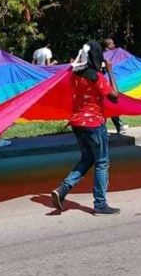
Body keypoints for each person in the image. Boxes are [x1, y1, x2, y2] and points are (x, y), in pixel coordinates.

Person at [50, 41, 121, 215]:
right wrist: (111, 71)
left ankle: (62, 190)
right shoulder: (95, 76)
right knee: (102, 162)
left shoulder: (74, 74)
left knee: (87, 159)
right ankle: (100, 204)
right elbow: (115, 96)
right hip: (94, 123)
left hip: (77, 123)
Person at [102, 37, 129, 134]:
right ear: (107, 46)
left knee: (106, 105)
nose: (114, 45)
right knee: (110, 105)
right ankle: (118, 127)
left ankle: (107, 128)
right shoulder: (110, 55)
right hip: (108, 84)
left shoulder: (101, 55)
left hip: (103, 84)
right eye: (112, 44)